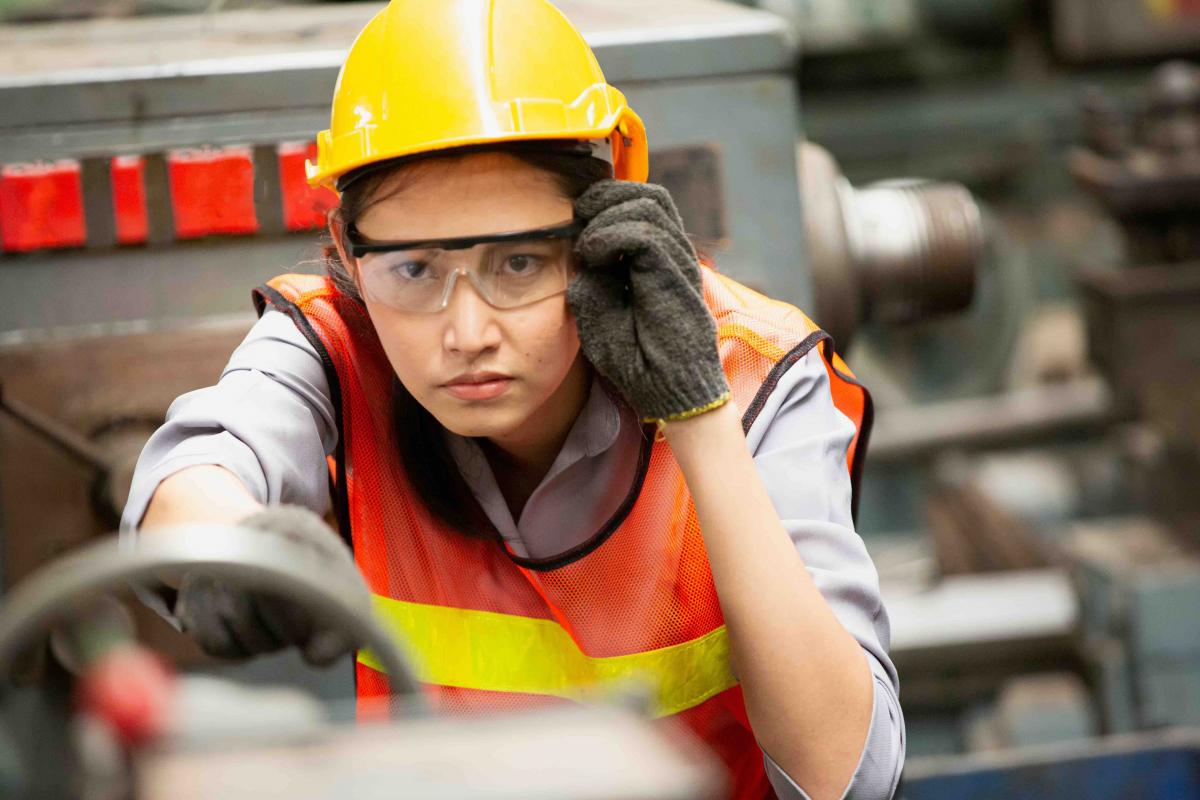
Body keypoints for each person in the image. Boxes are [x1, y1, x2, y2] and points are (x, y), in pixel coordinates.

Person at [122, 1, 904, 797]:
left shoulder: (754, 374)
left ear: (605, 238)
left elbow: (847, 776)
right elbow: (195, 475)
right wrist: (238, 549)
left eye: (521, 264)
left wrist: (698, 415)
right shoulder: (337, 344)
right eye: (414, 270)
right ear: (351, 258)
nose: (466, 332)